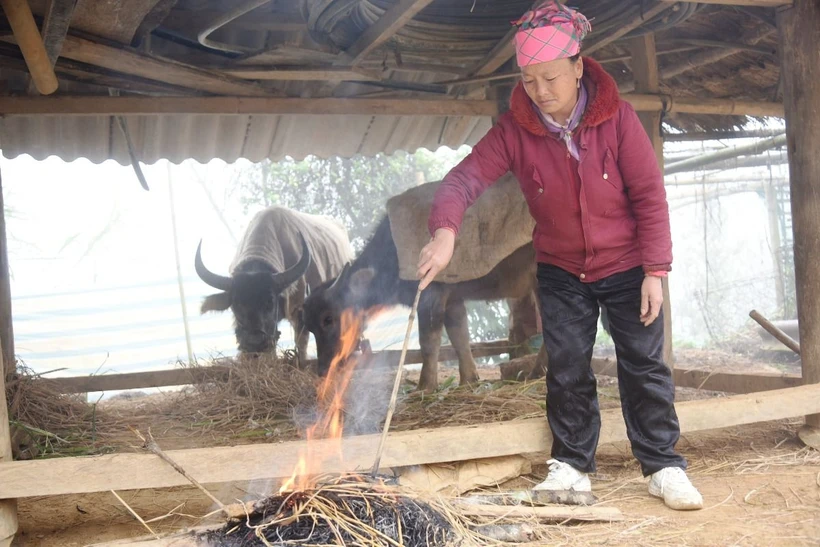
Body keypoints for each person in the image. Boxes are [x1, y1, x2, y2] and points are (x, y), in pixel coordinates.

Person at [416, 1, 703, 511]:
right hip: (561, 268)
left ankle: (662, 466)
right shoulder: (515, 131)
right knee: (568, 366)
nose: (541, 91)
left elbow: (649, 196)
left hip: (628, 265)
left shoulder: (618, 120)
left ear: (577, 66)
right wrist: (444, 232)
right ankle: (571, 468)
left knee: (643, 364)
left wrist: (655, 271)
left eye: (550, 77)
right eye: (529, 81)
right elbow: (462, 179)